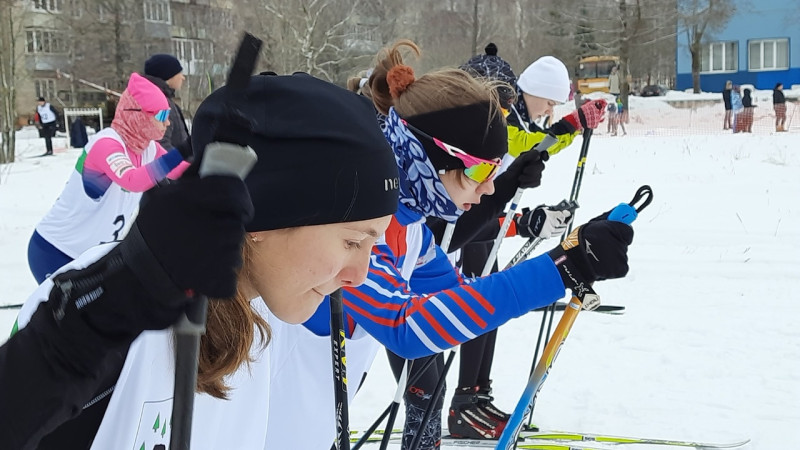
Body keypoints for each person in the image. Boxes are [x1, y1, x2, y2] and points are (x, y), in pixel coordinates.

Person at [259, 40, 630, 450]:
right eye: (480, 170)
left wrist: (568, 257)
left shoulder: (411, 231)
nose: (489, 186)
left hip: (305, 426)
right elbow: (405, 325)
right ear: (428, 160)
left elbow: (454, 297)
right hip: (258, 426)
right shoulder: (352, 227)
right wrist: (557, 269)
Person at [4, 71, 401, 450]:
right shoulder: (109, 319)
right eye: (352, 242)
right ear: (260, 217)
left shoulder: (258, 319)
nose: (359, 276)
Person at [437, 54, 607, 439]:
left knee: (488, 306)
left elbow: (534, 148)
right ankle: (465, 399)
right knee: (477, 305)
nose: (549, 109)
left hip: (483, 211)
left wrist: (571, 125)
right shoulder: (501, 120)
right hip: (471, 216)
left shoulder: (516, 118)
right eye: (548, 100)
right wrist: (572, 125)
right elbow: (531, 148)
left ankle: (476, 394)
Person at [26, 72, 192, 284]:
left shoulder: (147, 148)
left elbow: (182, 172)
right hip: (56, 250)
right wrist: (183, 150)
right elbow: (133, 180)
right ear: (138, 114)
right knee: (62, 316)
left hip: (93, 256)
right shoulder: (106, 144)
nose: (168, 123)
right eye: (161, 116)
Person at [143, 53, 190, 150]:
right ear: (169, 76)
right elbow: (161, 144)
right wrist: (186, 163)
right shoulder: (159, 103)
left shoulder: (164, 99)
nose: (183, 77)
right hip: (172, 164)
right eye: (179, 73)